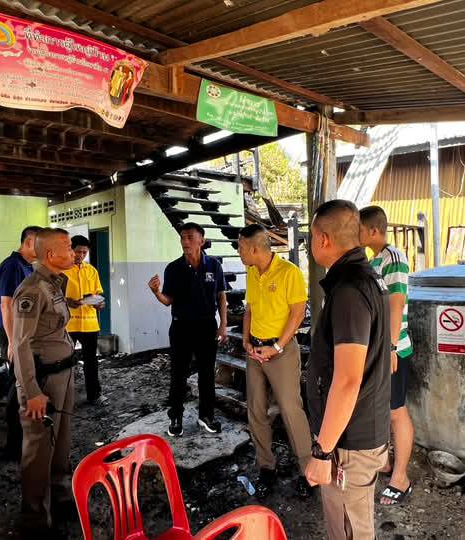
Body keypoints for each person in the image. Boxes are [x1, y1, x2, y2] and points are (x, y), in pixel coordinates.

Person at [304, 200, 391, 540]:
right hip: (356, 430)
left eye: (311, 237)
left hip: (348, 443)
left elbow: (348, 379)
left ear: (323, 239)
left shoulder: (350, 290)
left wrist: (322, 451)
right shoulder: (363, 278)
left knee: (349, 529)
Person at [237, 224, 314, 499]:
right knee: (256, 410)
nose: (239, 252)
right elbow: (249, 309)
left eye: (241, 247)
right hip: (255, 351)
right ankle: (266, 467)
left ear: (254, 248)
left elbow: (298, 313)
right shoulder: (251, 272)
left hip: (281, 352)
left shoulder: (289, 272)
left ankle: (308, 471)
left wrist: (277, 347)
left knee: (291, 410)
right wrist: (245, 340)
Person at [11, 228, 76, 534]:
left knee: (60, 443)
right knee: (38, 451)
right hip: (42, 381)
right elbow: (20, 344)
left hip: (62, 374)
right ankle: (35, 518)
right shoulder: (32, 290)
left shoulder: (54, 284)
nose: (74, 252)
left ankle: (61, 498)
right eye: (69, 247)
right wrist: (32, 391)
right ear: (51, 254)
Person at [148, 223, 228, 437]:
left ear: (201, 240)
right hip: (181, 326)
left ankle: (206, 415)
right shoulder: (173, 268)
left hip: (206, 326)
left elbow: (221, 296)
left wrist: (223, 325)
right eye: (182, 238)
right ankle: (176, 417)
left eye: (190, 237)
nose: (185, 242)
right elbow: (168, 300)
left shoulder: (214, 265)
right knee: (178, 374)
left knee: (207, 374)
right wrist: (156, 292)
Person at [359, 206, 415, 506]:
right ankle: (386, 463)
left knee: (396, 411)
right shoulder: (374, 260)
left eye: (359, 229)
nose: (355, 234)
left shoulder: (394, 258)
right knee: (382, 409)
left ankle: (400, 478)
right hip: (378, 349)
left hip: (393, 349)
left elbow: (396, 304)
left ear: (373, 230)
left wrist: (391, 347)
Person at [0, 225, 42, 461]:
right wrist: (13, 341)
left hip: (24, 336)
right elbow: (6, 305)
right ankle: (13, 447)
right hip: (15, 336)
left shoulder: (27, 266)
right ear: (29, 242)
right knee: (18, 386)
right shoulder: (12, 266)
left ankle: (23, 438)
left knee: (25, 384)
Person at [64, 235, 106, 405]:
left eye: (84, 252)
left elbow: (98, 293)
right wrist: (66, 301)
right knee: (64, 362)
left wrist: (99, 303)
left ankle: (94, 395)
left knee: (91, 362)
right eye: (78, 251)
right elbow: (52, 296)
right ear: (70, 250)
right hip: (68, 325)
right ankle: (62, 397)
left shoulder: (92, 271)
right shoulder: (61, 271)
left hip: (90, 324)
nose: (81, 255)